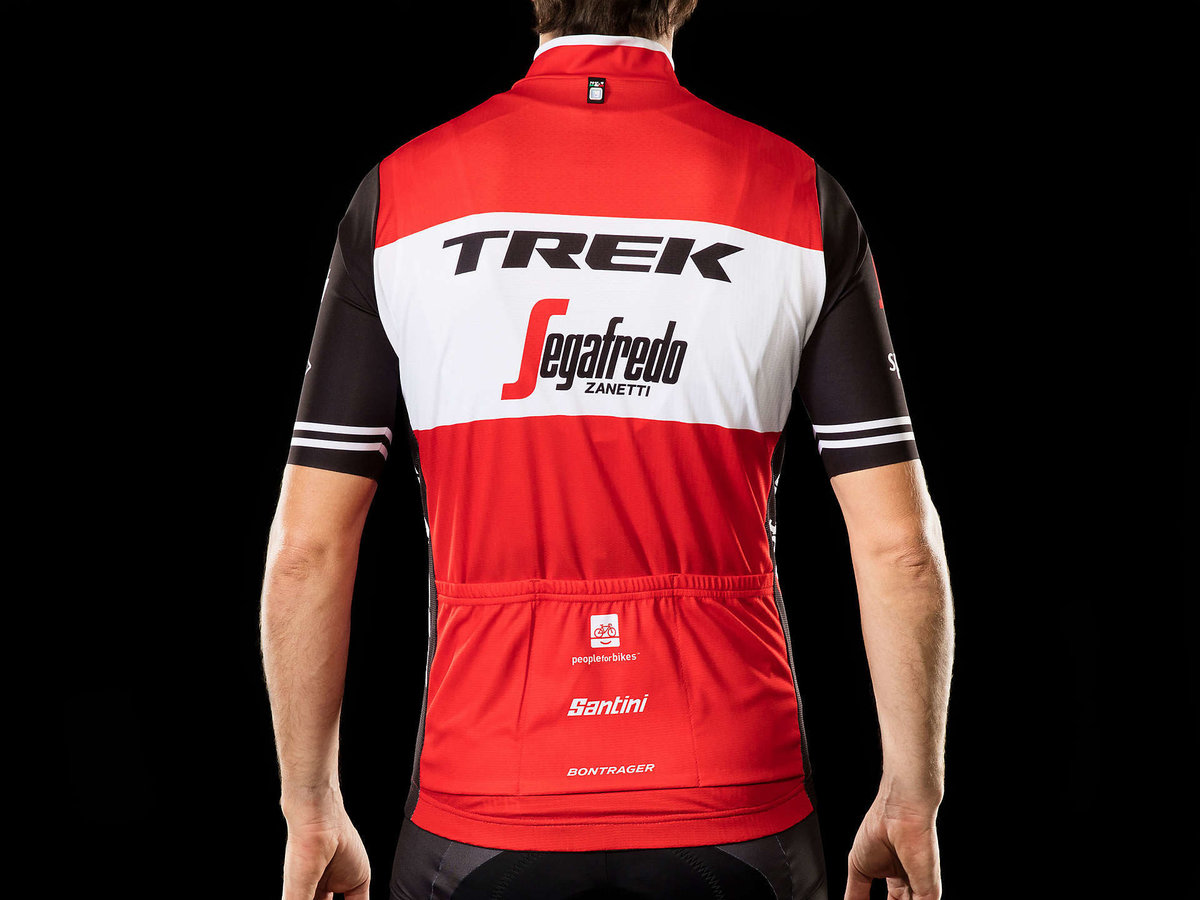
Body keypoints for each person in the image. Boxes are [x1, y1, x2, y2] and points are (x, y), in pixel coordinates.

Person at [260, 2, 954, 898]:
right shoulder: (797, 191)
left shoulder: (398, 195)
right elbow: (901, 550)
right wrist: (912, 795)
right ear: (683, 0)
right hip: (736, 794)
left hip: (483, 802)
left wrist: (310, 804)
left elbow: (307, 550)